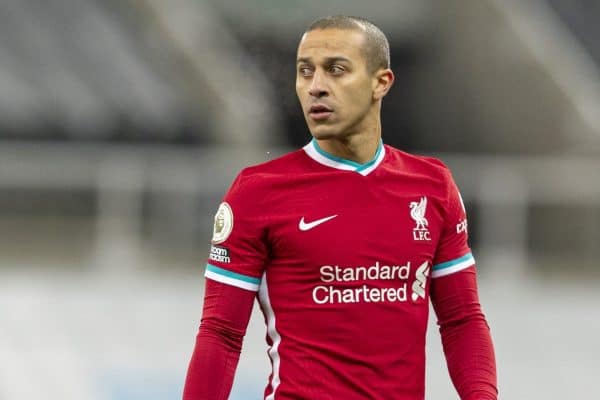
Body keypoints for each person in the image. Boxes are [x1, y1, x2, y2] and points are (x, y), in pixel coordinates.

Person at [183, 15, 497, 400]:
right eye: (305, 71)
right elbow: (221, 334)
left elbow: (462, 319)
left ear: (381, 82)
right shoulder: (257, 192)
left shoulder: (433, 186)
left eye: (335, 70)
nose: (316, 87)